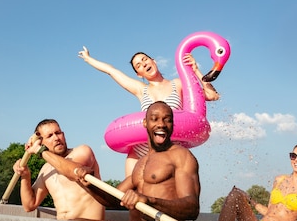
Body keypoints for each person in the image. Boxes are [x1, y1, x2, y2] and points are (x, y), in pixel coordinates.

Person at [78, 46, 219, 177]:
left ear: (154, 61)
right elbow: (112, 71)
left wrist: (195, 70)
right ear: (139, 74)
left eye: (144, 59)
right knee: (133, 198)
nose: (143, 64)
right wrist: (89, 59)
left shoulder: (178, 84)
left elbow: (212, 95)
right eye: (138, 65)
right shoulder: (140, 89)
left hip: (171, 149)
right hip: (141, 153)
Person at [75, 101, 201, 221]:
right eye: (154, 119)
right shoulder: (141, 162)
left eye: (167, 120)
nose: (161, 124)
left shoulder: (181, 156)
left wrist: (149, 201)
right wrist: (90, 184)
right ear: (145, 123)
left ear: (172, 125)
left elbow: (192, 208)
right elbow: (113, 200)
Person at [217, 143, 297, 221]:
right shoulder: (279, 180)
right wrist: (250, 200)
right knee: (235, 195)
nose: (296, 160)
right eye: (293, 156)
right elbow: (269, 212)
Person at [12, 119, 105, 221]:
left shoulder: (82, 151)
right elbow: (29, 205)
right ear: (41, 142)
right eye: (49, 136)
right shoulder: (46, 169)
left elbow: (73, 173)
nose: (56, 138)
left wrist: (40, 151)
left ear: (63, 135)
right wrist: (25, 175)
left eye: (58, 133)